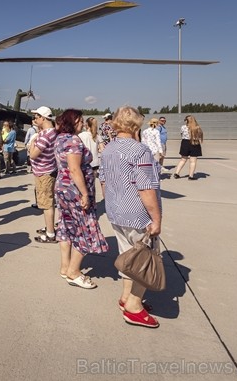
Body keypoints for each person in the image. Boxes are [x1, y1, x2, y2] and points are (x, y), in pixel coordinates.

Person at [100, 105, 162, 328]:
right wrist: (156, 219)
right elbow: (145, 188)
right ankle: (134, 307)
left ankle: (126, 297)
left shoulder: (108, 149)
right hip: (137, 214)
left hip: (116, 211)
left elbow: (103, 181)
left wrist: (112, 203)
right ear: (136, 124)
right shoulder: (139, 150)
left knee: (128, 256)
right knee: (143, 260)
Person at [55, 109, 108, 289]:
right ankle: (74, 272)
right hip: (74, 191)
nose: (82, 123)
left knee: (66, 225)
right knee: (84, 228)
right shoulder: (73, 141)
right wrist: (85, 194)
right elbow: (75, 169)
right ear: (72, 121)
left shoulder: (60, 138)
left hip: (62, 189)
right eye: (79, 120)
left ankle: (65, 267)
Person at [27, 106, 58, 244]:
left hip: (44, 173)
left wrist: (33, 142)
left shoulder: (46, 135)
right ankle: (50, 227)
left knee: (46, 204)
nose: (34, 119)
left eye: (36, 117)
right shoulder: (51, 132)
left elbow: (33, 154)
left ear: (43, 118)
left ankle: (50, 234)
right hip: (47, 170)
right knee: (48, 203)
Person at [173, 115, 203, 180]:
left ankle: (177, 173)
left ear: (187, 120)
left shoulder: (183, 127)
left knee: (183, 159)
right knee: (193, 161)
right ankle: (191, 176)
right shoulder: (197, 127)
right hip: (194, 143)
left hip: (185, 143)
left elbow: (181, 134)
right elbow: (200, 136)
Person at [79, 117, 100, 183]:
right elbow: (102, 149)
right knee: (92, 184)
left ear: (87, 124)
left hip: (85, 162)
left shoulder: (81, 135)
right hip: (95, 162)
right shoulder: (97, 136)